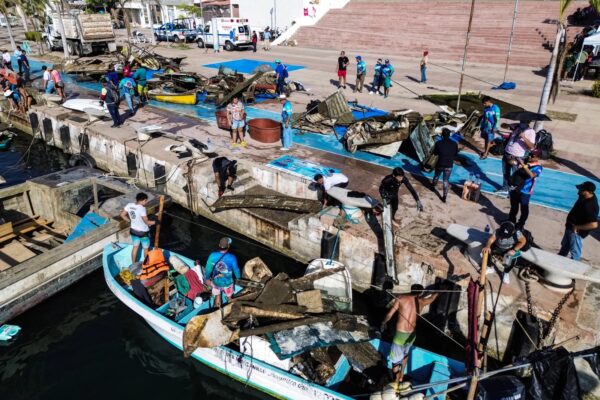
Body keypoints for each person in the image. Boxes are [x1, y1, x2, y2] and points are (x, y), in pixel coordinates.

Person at [380, 284, 439, 383]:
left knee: (395, 363)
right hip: (411, 335)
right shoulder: (421, 302)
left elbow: (390, 314)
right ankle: (402, 376)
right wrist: (441, 290)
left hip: (400, 337)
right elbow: (433, 297)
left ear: (411, 289)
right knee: (405, 355)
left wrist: (383, 323)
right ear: (421, 293)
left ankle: (396, 382)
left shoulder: (401, 298)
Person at [558, 182, 599, 261]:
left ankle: (573, 270)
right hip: (570, 228)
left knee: (575, 255)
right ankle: (559, 261)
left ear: (587, 192)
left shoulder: (590, 206)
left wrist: (577, 227)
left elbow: (594, 225)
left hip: (576, 233)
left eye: (581, 189)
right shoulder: (583, 196)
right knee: (564, 249)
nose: (579, 190)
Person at [508, 149, 543, 229]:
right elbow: (512, 163)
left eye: (533, 156)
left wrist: (523, 165)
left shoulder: (538, 167)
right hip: (516, 188)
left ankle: (521, 224)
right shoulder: (525, 161)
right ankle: (511, 220)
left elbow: (532, 175)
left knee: (524, 208)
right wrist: (511, 158)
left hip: (526, 191)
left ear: (538, 157)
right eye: (530, 154)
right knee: (514, 206)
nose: (530, 156)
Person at [498, 120, 536, 193]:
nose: (521, 122)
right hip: (507, 153)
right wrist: (508, 125)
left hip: (517, 157)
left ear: (528, 122)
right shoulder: (516, 126)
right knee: (505, 172)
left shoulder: (531, 132)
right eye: (521, 120)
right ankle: (505, 187)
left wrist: (523, 137)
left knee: (516, 175)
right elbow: (503, 126)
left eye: (523, 121)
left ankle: (514, 191)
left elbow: (531, 146)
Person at [120, 192, 156, 264]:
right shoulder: (142, 208)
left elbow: (122, 215)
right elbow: (146, 222)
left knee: (135, 247)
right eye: (146, 201)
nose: (146, 202)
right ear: (143, 200)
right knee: (146, 249)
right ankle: (146, 265)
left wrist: (130, 221)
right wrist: (156, 222)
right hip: (143, 232)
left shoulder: (129, 205)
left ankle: (133, 263)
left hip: (133, 230)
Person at [205, 237, 240, 308]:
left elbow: (208, 269)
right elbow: (236, 270)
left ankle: (218, 309)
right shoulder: (232, 257)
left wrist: (207, 278)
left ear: (219, 245)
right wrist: (238, 278)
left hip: (216, 282)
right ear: (228, 246)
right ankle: (230, 308)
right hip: (227, 282)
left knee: (217, 296)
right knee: (229, 297)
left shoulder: (212, 255)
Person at [431, 128, 459, 203]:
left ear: (442, 135)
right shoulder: (454, 144)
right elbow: (455, 154)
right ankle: (444, 196)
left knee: (436, 176)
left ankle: (433, 186)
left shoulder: (438, 143)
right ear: (449, 135)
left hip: (440, 163)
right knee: (446, 181)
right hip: (449, 165)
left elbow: (435, 153)